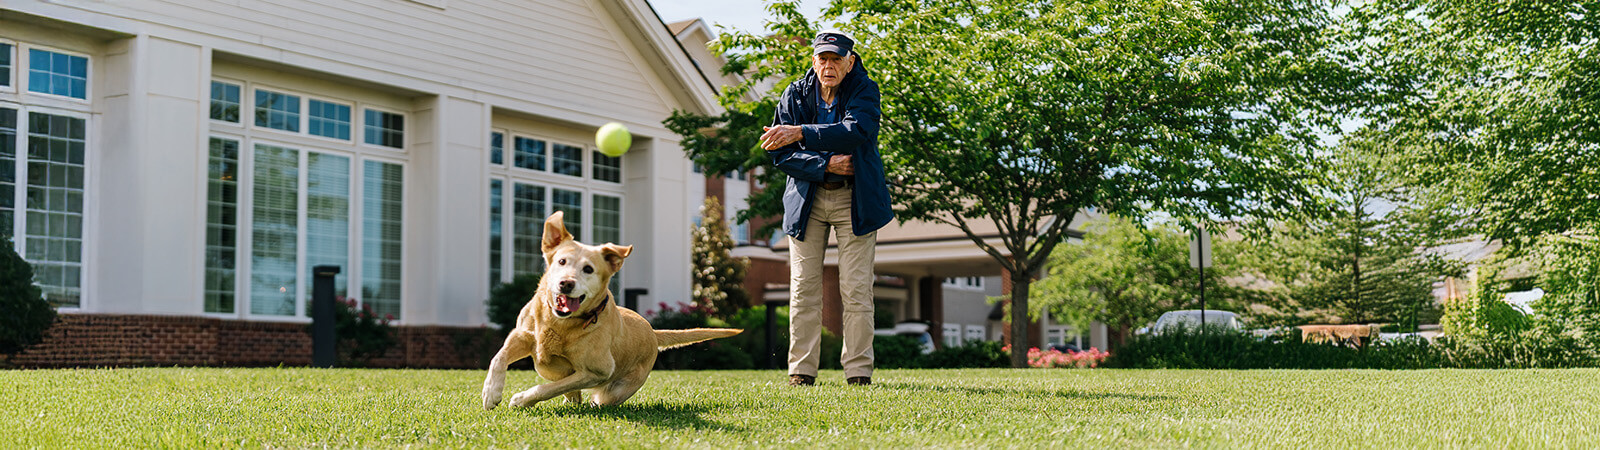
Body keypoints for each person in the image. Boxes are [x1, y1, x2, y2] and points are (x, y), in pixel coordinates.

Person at [759, 30, 893, 386]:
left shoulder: (865, 90)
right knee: (803, 289)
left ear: (850, 62)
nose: (829, 65)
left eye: (836, 59)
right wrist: (825, 165)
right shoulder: (794, 93)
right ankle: (801, 372)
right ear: (814, 61)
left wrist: (801, 132)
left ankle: (858, 373)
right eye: (823, 58)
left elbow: (856, 131)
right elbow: (779, 154)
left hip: (855, 199)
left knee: (856, 289)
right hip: (807, 200)